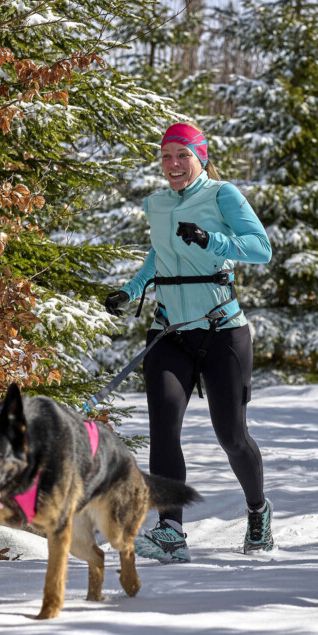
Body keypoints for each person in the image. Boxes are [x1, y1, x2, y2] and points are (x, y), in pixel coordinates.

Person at [104, 123, 273, 562]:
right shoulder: (156, 203)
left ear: (201, 158)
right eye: (166, 156)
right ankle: (171, 531)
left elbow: (261, 248)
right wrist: (130, 291)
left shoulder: (222, 195)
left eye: (183, 155)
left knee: (231, 436)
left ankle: (258, 510)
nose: (174, 164)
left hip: (222, 331)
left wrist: (211, 239)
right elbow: (158, 256)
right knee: (163, 430)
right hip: (170, 332)